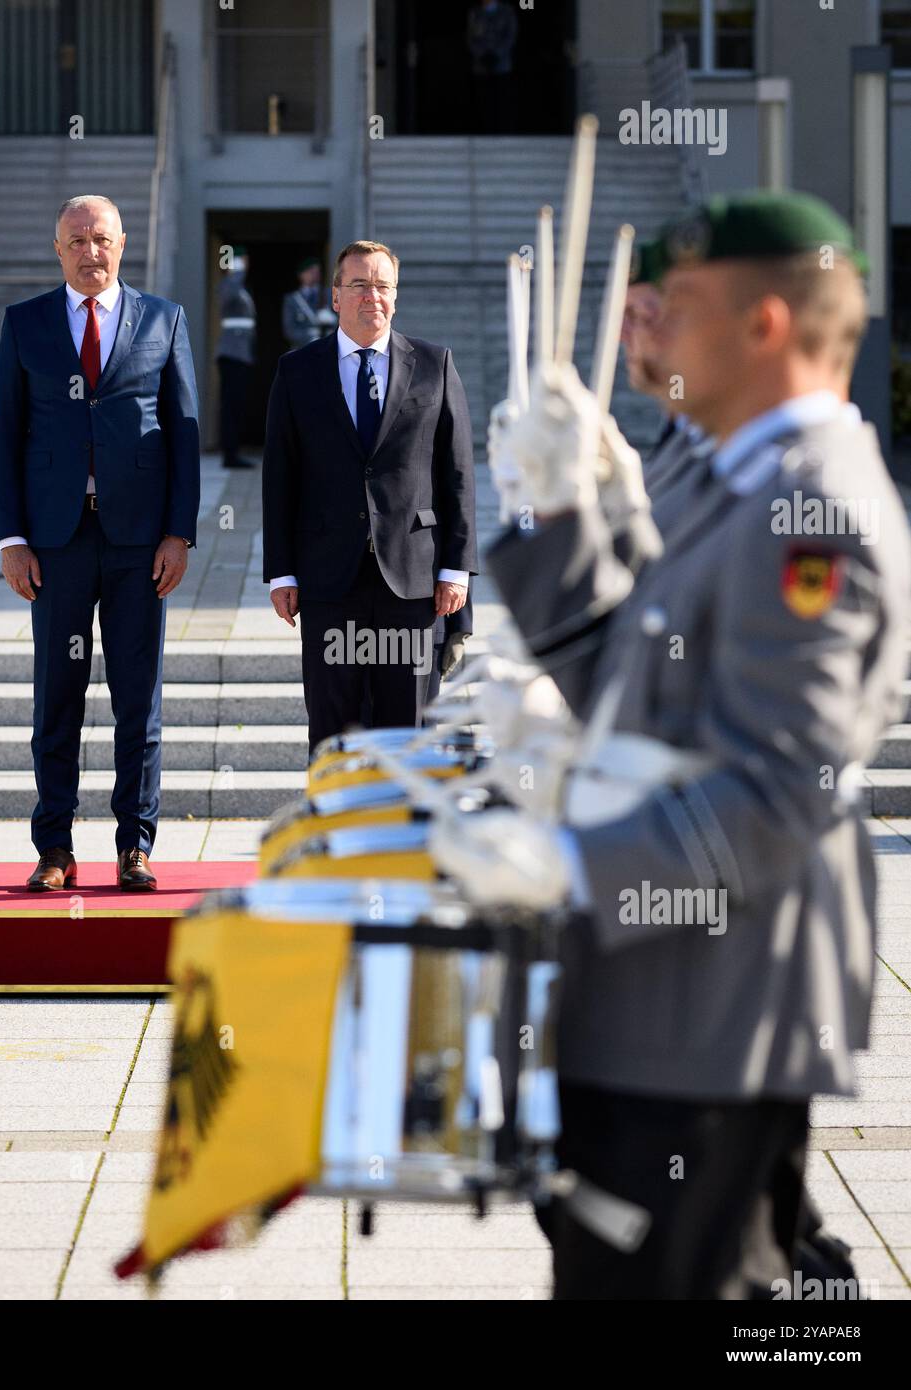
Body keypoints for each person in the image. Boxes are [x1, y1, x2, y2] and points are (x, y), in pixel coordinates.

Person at [431, 191, 911, 1297]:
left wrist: (566, 864)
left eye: (679, 305)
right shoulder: (751, 485)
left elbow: (779, 789)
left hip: (711, 1003)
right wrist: (562, 518)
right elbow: (645, 692)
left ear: (765, 327)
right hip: (660, 991)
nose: (652, 330)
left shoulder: (812, 513)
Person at [0, 195, 200, 893]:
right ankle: (54, 847)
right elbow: (5, 438)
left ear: (122, 244)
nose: (89, 250)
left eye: (100, 238)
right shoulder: (25, 324)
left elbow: (185, 434)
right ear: (57, 248)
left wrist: (179, 532)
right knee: (58, 696)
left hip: (140, 544)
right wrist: (12, 538)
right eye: (75, 239)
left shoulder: (164, 320)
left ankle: (134, 846)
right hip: (54, 543)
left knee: (138, 699)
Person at [262, 239, 477, 754]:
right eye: (357, 284)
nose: (371, 296)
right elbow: (279, 476)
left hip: (414, 580)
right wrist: (282, 571)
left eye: (382, 285)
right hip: (327, 579)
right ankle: (336, 831)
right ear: (335, 296)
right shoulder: (297, 372)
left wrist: (456, 567)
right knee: (334, 731)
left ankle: (404, 834)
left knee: (409, 730)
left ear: (396, 296)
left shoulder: (434, 364)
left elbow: (458, 471)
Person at [216, 247, 256, 470]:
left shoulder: (239, 285)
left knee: (237, 405)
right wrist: (236, 268)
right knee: (230, 406)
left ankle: (234, 451)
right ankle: (230, 454)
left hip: (241, 352)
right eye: (242, 261)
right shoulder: (230, 283)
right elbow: (228, 295)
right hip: (231, 352)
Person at [466, 0, 518, 134]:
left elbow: (510, 36)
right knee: (483, 101)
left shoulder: (507, 11)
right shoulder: (475, 13)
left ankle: (503, 131)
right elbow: (471, 38)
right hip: (481, 66)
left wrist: (497, 55)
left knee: (502, 101)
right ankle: (484, 130)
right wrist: (482, 55)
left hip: (502, 66)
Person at [282, 256, 336, 349]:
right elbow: (289, 330)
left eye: (317, 271)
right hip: (302, 349)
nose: (315, 274)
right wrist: (310, 336)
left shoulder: (329, 294)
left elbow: (343, 322)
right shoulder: (292, 299)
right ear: (301, 275)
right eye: (311, 271)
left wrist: (333, 320)